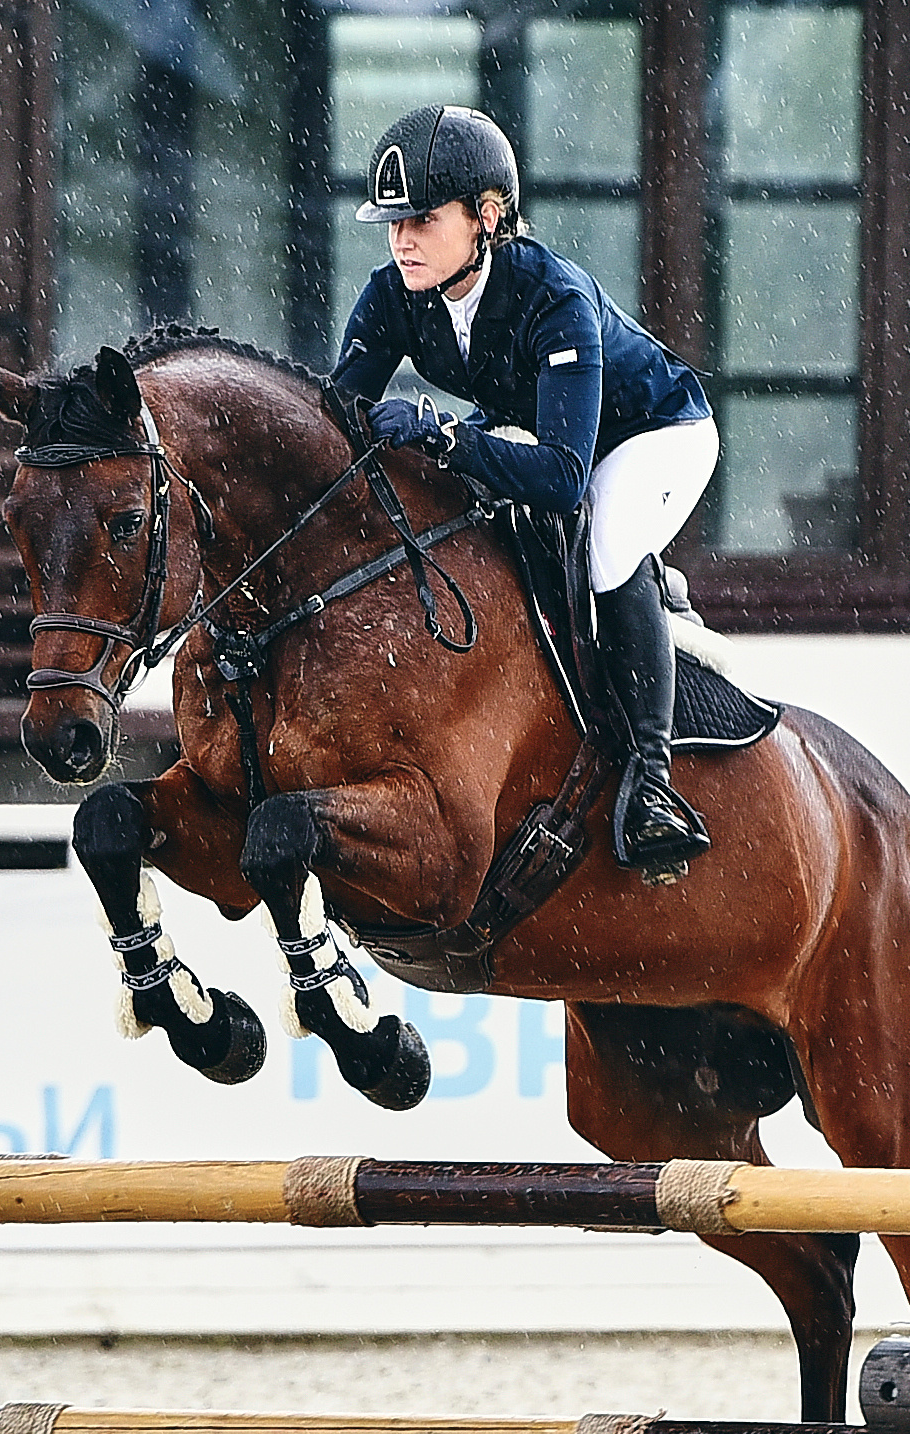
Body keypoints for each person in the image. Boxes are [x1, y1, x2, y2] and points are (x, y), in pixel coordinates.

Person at [330, 103, 719, 881]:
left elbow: (563, 478)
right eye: (392, 223)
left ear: (487, 216)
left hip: (649, 436)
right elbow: (341, 417)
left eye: (422, 220)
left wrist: (445, 435)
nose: (402, 239)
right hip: (531, 432)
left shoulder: (553, 298)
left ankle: (653, 781)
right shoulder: (394, 293)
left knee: (606, 538)